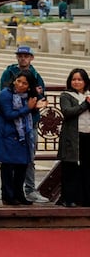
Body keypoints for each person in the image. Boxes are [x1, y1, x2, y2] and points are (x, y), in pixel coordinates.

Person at [0, 45, 48, 204]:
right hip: (11, 123)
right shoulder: (8, 73)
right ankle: (9, 193)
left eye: (26, 56)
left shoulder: (36, 75)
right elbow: (5, 94)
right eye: (20, 55)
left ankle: (27, 190)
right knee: (9, 160)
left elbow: (40, 98)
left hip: (29, 123)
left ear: (31, 58)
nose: (23, 58)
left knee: (28, 158)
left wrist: (36, 97)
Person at [0, 74, 38, 205]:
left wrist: (34, 108)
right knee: (8, 166)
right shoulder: (6, 95)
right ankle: (8, 195)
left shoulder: (27, 97)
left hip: (23, 134)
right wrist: (27, 108)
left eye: (24, 83)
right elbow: (9, 114)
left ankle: (19, 194)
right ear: (14, 81)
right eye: (18, 81)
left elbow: (30, 114)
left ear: (29, 86)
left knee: (22, 165)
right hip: (7, 134)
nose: (20, 85)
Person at [58, 69, 90, 207]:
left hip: (87, 134)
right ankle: (68, 198)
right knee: (70, 167)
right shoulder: (66, 95)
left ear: (85, 81)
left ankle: (85, 198)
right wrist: (85, 104)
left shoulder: (88, 95)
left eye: (80, 79)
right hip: (72, 137)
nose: (76, 82)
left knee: (87, 168)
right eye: (74, 79)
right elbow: (67, 112)